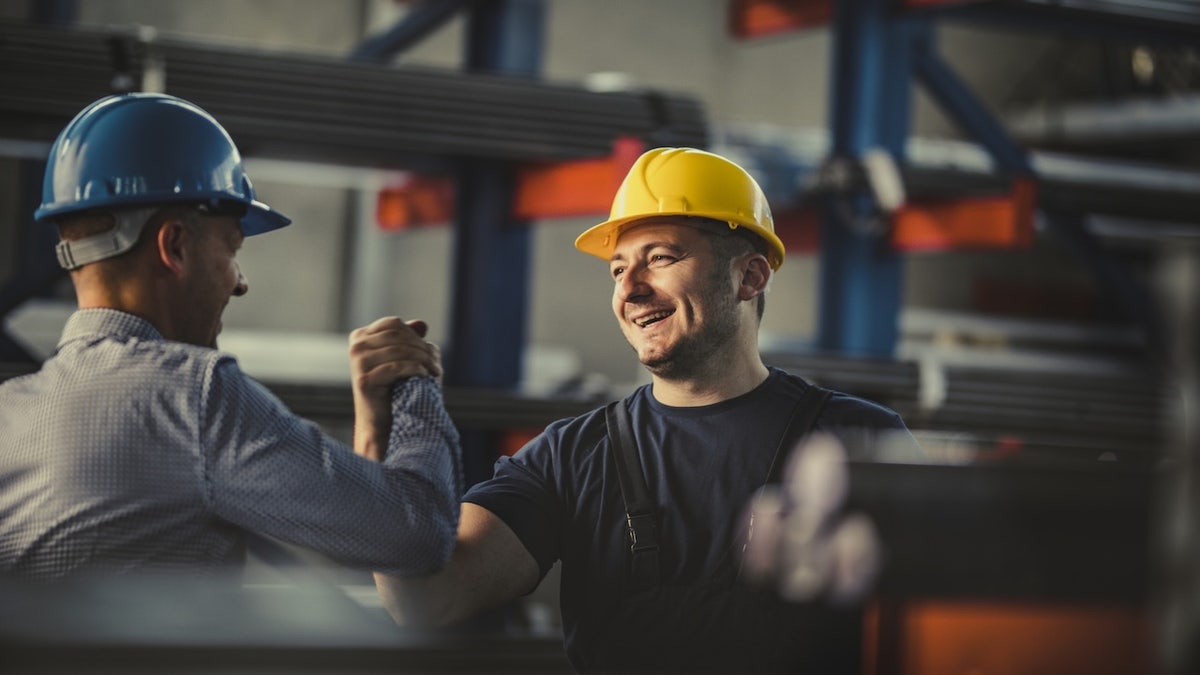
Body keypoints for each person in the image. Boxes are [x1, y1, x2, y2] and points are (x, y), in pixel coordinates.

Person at [372, 147, 922, 673]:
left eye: (660, 257)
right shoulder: (571, 456)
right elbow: (427, 598)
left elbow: (947, 622)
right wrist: (378, 427)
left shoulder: (860, 439)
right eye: (617, 269)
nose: (630, 290)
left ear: (750, 276)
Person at [0, 93, 462, 582]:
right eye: (232, 250)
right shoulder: (193, 397)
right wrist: (414, 382)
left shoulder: (9, 412)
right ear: (174, 246)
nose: (239, 283)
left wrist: (373, 429)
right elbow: (419, 534)